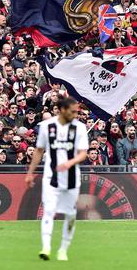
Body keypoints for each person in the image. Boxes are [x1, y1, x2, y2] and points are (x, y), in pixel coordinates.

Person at [25, 97, 89, 262]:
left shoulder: (80, 128)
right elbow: (39, 150)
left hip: (72, 178)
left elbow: (83, 153)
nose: (76, 114)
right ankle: (46, 247)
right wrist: (30, 173)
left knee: (71, 214)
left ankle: (63, 249)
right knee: (49, 210)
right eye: (72, 111)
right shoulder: (47, 126)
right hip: (51, 177)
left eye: (77, 112)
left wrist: (70, 162)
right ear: (62, 109)